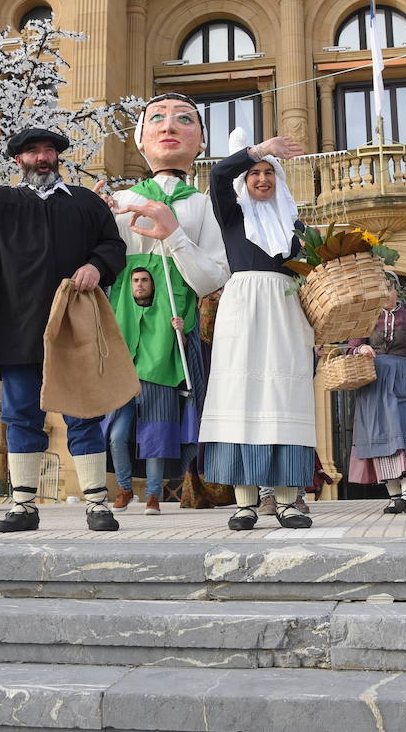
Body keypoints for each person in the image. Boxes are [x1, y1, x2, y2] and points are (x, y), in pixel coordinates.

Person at [0, 94, 127, 533]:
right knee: (21, 414)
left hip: (72, 326)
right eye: (32, 152)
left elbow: (113, 246)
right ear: (19, 159)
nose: (42, 158)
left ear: (57, 157)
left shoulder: (85, 201)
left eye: (49, 151)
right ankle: (23, 506)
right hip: (16, 328)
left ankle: (97, 504)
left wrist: (95, 265)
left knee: (84, 412)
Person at [100, 94, 230, 516]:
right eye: (156, 118)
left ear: (202, 141)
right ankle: (121, 486)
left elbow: (212, 277)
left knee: (159, 424)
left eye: (184, 119)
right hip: (123, 338)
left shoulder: (207, 206)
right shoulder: (119, 203)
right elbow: (99, 263)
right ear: (140, 139)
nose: (169, 127)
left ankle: (155, 492)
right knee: (118, 427)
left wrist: (174, 235)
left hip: (171, 340)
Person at [199, 129, 315, 531]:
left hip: (285, 310)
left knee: (284, 397)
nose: (262, 178)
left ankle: (287, 501)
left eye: (268, 171)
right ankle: (246, 502)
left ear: (278, 179)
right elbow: (216, 176)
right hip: (242, 308)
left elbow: (311, 272)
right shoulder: (233, 214)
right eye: (254, 173)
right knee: (241, 397)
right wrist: (257, 150)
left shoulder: (295, 226)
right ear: (245, 181)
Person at [105, 267, 187, 513]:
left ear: (153, 285)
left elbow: (181, 349)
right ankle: (124, 488)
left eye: (144, 280)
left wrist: (180, 331)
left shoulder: (168, 311)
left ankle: (153, 496)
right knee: (116, 437)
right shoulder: (121, 313)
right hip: (125, 381)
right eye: (135, 281)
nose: (139, 285)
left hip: (158, 382)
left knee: (156, 440)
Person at [348, 299, 406, 514]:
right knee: (381, 434)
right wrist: (361, 348)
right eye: (381, 288)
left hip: (402, 377)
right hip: (374, 382)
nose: (385, 292)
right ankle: (394, 496)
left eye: (389, 287)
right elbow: (350, 349)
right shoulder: (366, 316)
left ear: (395, 290)